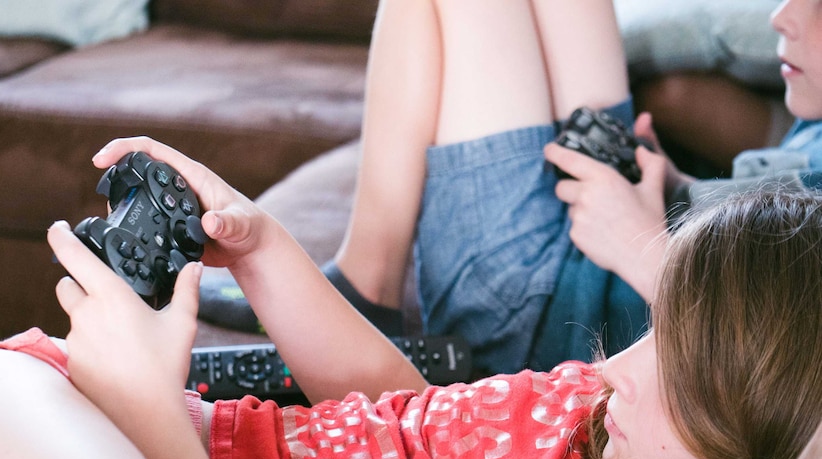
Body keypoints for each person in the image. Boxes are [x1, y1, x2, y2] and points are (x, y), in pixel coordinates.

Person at [0, 134, 822, 459]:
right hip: (77, 420)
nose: (617, 373)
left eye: (676, 380)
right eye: (651, 332)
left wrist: (150, 408)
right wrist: (264, 249)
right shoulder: (608, 425)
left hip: (138, 451)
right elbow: (400, 420)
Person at [199, 0, 822, 377]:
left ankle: (369, 284)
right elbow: (773, 212)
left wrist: (638, 241)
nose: (781, 17)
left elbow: (781, 350)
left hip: (559, 320)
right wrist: (675, 186)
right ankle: (365, 281)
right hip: (621, 218)